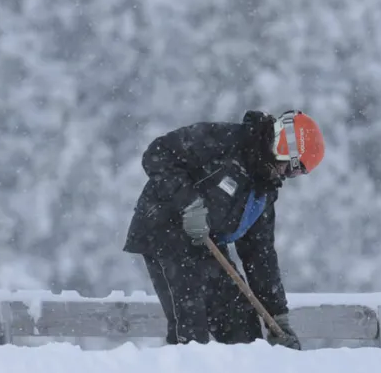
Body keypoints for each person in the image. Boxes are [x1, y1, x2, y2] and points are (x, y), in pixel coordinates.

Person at [123, 109, 326, 349]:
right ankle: (183, 369)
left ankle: (245, 370)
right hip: (165, 232)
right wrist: (189, 204)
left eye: (296, 173)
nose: (286, 176)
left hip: (206, 243)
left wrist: (277, 318)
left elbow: (259, 255)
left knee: (242, 324)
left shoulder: (263, 191)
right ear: (283, 147)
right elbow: (157, 153)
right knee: (191, 326)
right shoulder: (225, 141)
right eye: (291, 168)